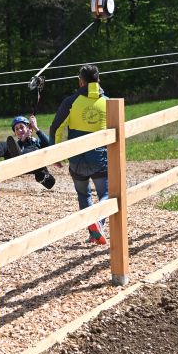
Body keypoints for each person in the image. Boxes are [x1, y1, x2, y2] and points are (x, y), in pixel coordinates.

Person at [50, 64, 109, 245]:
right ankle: (98, 224)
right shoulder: (108, 101)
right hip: (100, 158)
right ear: (98, 80)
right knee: (106, 193)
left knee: (83, 195)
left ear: (80, 81)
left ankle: (93, 232)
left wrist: (56, 154)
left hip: (77, 159)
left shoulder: (70, 102)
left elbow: (56, 128)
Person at [0, 115, 56, 189]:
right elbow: (15, 147)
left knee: (33, 150)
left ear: (29, 129)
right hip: (16, 164)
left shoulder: (37, 142)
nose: (19, 131)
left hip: (33, 164)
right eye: (16, 129)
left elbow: (50, 144)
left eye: (22, 127)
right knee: (4, 145)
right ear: (15, 133)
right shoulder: (14, 146)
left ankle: (21, 157)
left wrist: (36, 128)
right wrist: (22, 140)